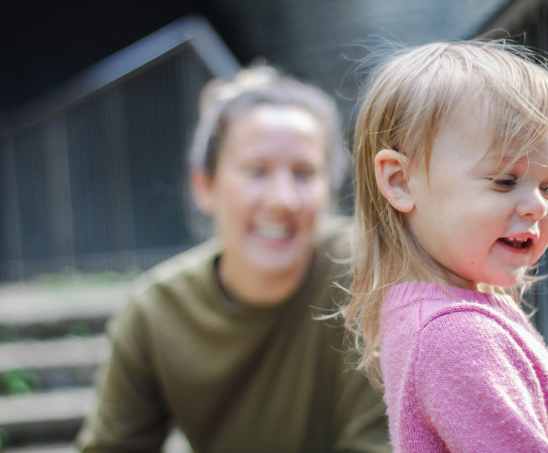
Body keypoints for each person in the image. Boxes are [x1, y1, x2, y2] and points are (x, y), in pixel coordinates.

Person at [77, 66, 390, 452]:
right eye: (256, 171)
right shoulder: (157, 311)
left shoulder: (373, 274)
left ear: (330, 189)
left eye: (304, 174)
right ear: (204, 186)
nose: (282, 200)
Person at [343, 39, 548, 452]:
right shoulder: (454, 336)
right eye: (505, 181)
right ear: (399, 181)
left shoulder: (441, 316)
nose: (537, 205)